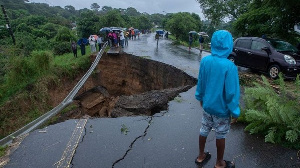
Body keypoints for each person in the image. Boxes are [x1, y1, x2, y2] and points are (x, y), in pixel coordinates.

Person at [194, 30, 240, 168]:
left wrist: (200, 98)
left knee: (204, 129)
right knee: (221, 134)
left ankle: (201, 155)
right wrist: (235, 111)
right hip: (222, 110)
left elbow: (201, 82)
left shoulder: (205, 61)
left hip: (207, 106)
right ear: (229, 44)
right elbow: (231, 93)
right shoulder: (229, 66)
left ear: (213, 42)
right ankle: (220, 163)